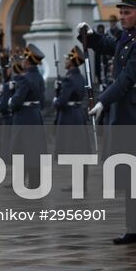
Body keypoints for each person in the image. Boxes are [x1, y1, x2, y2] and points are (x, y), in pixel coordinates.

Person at [78, 0, 136, 245]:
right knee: (131, 173)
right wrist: (90, 36)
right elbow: (109, 45)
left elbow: (126, 78)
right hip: (127, 113)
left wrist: (103, 101)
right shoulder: (129, 37)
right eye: (122, 10)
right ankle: (132, 228)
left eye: (127, 12)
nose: (122, 15)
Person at [9, 43, 47, 189]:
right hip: (36, 116)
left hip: (24, 117)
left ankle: (19, 182)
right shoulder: (39, 77)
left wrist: (10, 100)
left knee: (21, 150)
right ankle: (35, 182)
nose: (23, 61)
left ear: (29, 60)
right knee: (34, 151)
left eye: (25, 58)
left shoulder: (24, 78)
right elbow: (43, 101)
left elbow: (16, 101)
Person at [53, 46, 91, 188]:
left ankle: (78, 184)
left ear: (73, 61)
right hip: (78, 114)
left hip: (70, 116)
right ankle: (81, 183)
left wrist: (55, 100)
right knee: (80, 150)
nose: (65, 61)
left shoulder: (69, 79)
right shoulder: (79, 77)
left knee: (75, 151)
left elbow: (62, 101)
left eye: (67, 59)